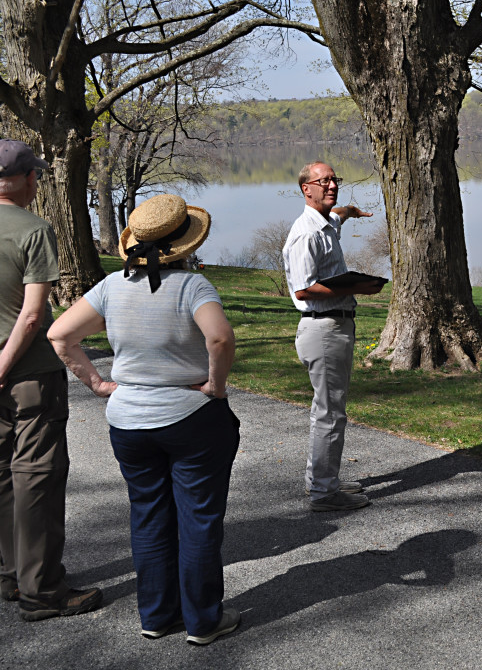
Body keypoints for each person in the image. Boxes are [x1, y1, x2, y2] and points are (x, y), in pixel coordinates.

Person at [48, 193, 241, 644]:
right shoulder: (193, 287)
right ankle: (203, 622)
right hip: (191, 418)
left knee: (149, 517)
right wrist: (215, 386)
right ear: (187, 243)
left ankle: (155, 616)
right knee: (198, 519)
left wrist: (98, 384)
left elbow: (60, 335)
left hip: (129, 423)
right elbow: (219, 338)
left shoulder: (111, 287)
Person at [0, 139, 103, 622]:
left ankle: (11, 574)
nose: (38, 183)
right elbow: (32, 315)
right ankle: (42, 591)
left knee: (1, 474)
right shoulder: (35, 230)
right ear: (24, 179)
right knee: (36, 477)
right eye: (36, 175)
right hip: (29, 375)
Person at [282, 161, 385, 512]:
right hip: (323, 328)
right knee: (330, 413)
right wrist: (358, 287)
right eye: (322, 181)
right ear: (305, 189)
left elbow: (337, 215)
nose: (331, 185)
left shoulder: (326, 222)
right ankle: (325, 494)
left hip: (333, 326)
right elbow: (303, 289)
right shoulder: (307, 233)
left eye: (334, 180)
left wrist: (351, 211)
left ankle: (321, 480)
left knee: (326, 409)